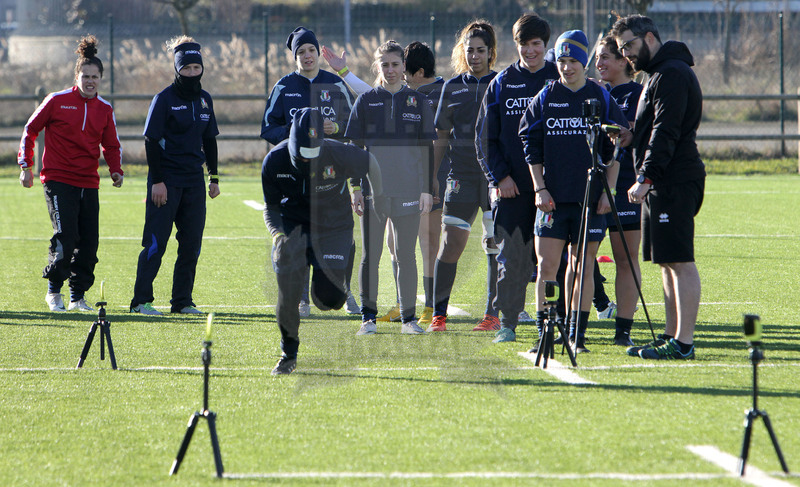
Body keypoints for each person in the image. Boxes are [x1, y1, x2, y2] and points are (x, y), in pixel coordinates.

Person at [519, 29, 627, 353]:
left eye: (573, 61)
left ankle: (576, 337)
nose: (566, 67)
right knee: (547, 267)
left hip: (590, 200)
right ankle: (545, 334)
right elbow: (530, 145)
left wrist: (610, 191)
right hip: (553, 199)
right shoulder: (546, 96)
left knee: (583, 265)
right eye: (562, 61)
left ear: (584, 63)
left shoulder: (600, 95)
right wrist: (539, 189)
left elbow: (618, 141)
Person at [610, 15, 705, 360]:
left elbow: (668, 130)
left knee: (679, 260)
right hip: (663, 180)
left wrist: (644, 178)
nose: (627, 56)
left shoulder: (672, 74)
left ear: (649, 38)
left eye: (630, 47)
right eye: (621, 50)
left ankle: (684, 343)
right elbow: (653, 130)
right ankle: (671, 337)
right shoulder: (657, 75)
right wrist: (631, 137)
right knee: (666, 261)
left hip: (674, 179)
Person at [262, 108, 382, 375]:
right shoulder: (273, 161)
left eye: (314, 154)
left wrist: (376, 196)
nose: (308, 160)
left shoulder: (341, 152)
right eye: (303, 154)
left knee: (329, 301)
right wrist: (278, 235)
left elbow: (371, 164)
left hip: (334, 227)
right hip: (293, 229)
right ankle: (288, 354)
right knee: (288, 295)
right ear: (293, 144)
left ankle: (345, 256)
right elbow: (270, 208)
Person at [18, 35, 123, 312]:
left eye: (95, 77)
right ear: (77, 76)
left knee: (89, 244)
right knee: (65, 237)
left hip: (89, 183)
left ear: (100, 79)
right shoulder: (56, 101)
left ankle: (78, 296)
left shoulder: (105, 109)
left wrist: (116, 171)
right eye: (85, 75)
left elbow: (111, 145)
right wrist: (26, 166)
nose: (90, 81)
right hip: (58, 180)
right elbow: (30, 129)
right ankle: (54, 291)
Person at [262, 27, 359, 316]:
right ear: (294, 57)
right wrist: (298, 133)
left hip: (332, 177)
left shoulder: (335, 84)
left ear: (318, 53)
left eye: (311, 51)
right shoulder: (283, 86)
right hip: (296, 176)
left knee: (342, 236)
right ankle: (302, 299)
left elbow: (355, 123)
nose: (307, 56)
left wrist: (337, 129)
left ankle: (347, 291)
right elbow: (268, 128)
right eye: (301, 52)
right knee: (298, 233)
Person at [475, 13, 559, 342]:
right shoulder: (502, 83)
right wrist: (500, 178)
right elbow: (484, 139)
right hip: (512, 190)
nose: (531, 50)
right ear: (516, 45)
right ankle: (507, 323)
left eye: (536, 44)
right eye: (524, 44)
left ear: (545, 44)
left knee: (555, 260)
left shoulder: (560, 77)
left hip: (555, 191)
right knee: (512, 258)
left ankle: (555, 321)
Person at [345, 40, 436, 336]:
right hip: (374, 192)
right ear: (378, 67)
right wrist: (356, 188)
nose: (391, 70)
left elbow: (426, 149)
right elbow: (354, 149)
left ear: (403, 67)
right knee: (371, 255)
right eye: (385, 65)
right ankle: (367, 319)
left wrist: (425, 189)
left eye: (396, 64)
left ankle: (408, 319)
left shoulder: (418, 101)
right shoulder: (366, 101)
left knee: (406, 254)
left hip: (410, 190)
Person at [130, 36, 220, 316]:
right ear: (177, 69)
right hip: (166, 181)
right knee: (157, 242)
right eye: (187, 68)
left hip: (194, 181)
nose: (192, 73)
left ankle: (182, 302)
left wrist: (213, 177)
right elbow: (151, 141)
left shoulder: (205, 100)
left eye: (196, 68)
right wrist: (157, 181)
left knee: (191, 244)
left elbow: (210, 140)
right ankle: (140, 301)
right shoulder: (164, 99)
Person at [426, 21, 499, 333]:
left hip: (496, 177)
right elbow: (440, 136)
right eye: (470, 50)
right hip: (462, 176)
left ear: (491, 53)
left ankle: (493, 315)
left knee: (495, 244)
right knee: (451, 243)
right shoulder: (452, 87)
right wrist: (432, 177)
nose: (474, 56)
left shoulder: (502, 83)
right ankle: (438, 316)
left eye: (480, 50)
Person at [594, 35, 644, 346]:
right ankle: (579, 327)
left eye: (605, 58)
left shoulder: (639, 94)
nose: (598, 64)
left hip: (625, 188)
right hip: (590, 187)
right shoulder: (594, 93)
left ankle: (623, 329)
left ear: (624, 61)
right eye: (597, 58)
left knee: (625, 259)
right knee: (580, 259)